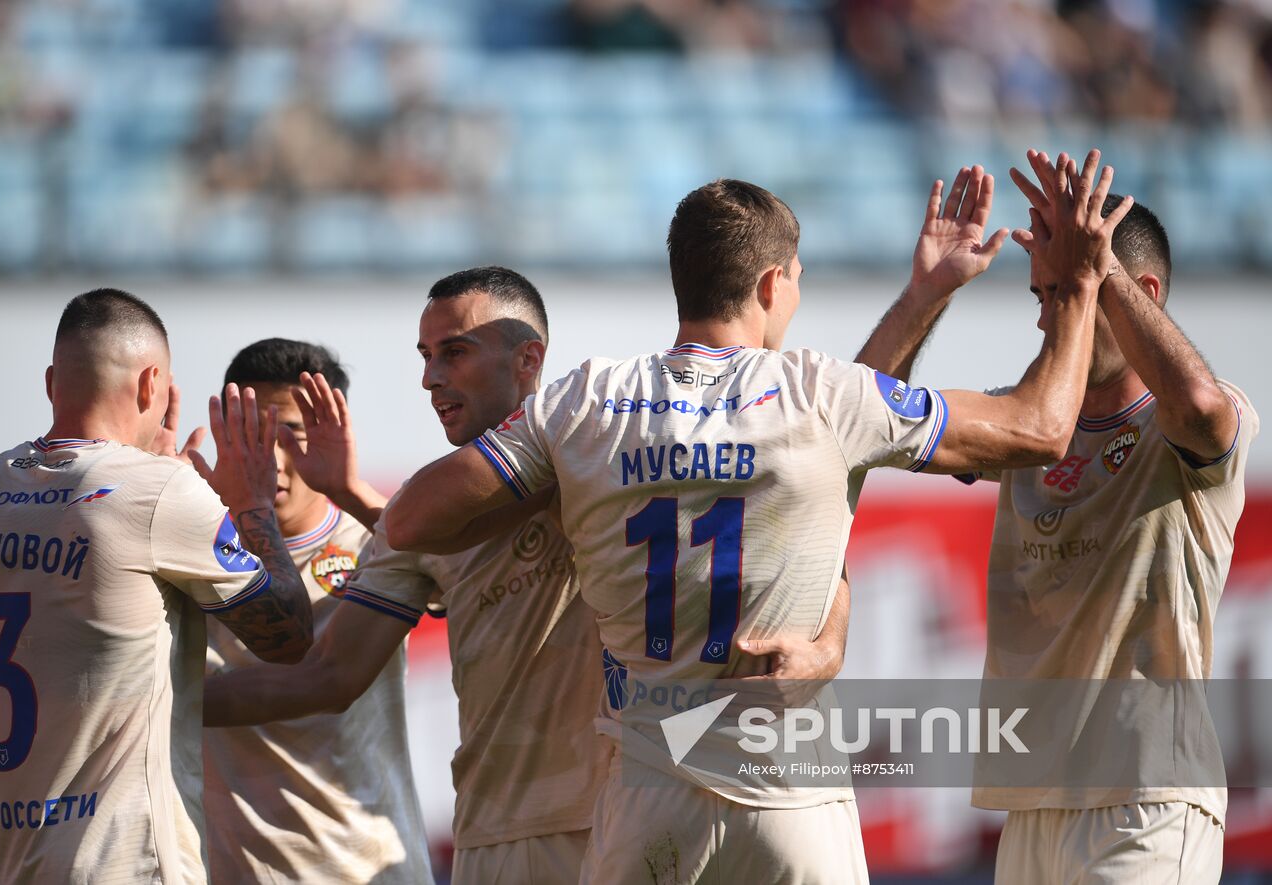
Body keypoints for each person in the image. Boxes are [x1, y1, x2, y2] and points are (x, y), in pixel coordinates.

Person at [382, 155, 1123, 883]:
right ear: (773, 283)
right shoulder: (817, 393)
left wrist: (558, 489)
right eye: (796, 282)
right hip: (787, 794)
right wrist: (1079, 284)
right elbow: (1040, 428)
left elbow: (412, 518)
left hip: (648, 793)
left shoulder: (586, 401)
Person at [858, 149, 1255, 883]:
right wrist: (927, 293)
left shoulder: (1200, 418)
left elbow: (1200, 406)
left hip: (1147, 795)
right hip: (1032, 803)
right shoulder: (1027, 420)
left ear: (1143, 291)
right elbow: (865, 425)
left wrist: (1092, 269)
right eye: (1044, 294)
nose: (1051, 314)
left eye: (1070, 291)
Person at [0, 289, 314, 884]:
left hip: (12, 867)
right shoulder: (161, 493)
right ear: (150, 385)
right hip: (130, 865)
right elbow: (288, 637)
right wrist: (253, 506)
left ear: (53, 381)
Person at [203, 267, 609, 884]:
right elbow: (330, 676)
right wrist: (144, 701)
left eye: (455, 352)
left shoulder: (596, 452)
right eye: (426, 356)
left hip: (607, 818)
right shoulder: (416, 521)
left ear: (529, 359)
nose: (430, 377)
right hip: (489, 833)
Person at [201, 338, 431, 884]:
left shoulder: (379, 540)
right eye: (254, 437)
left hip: (364, 869)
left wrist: (143, 699)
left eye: (293, 438)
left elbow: (459, 574)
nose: (274, 460)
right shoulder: (189, 546)